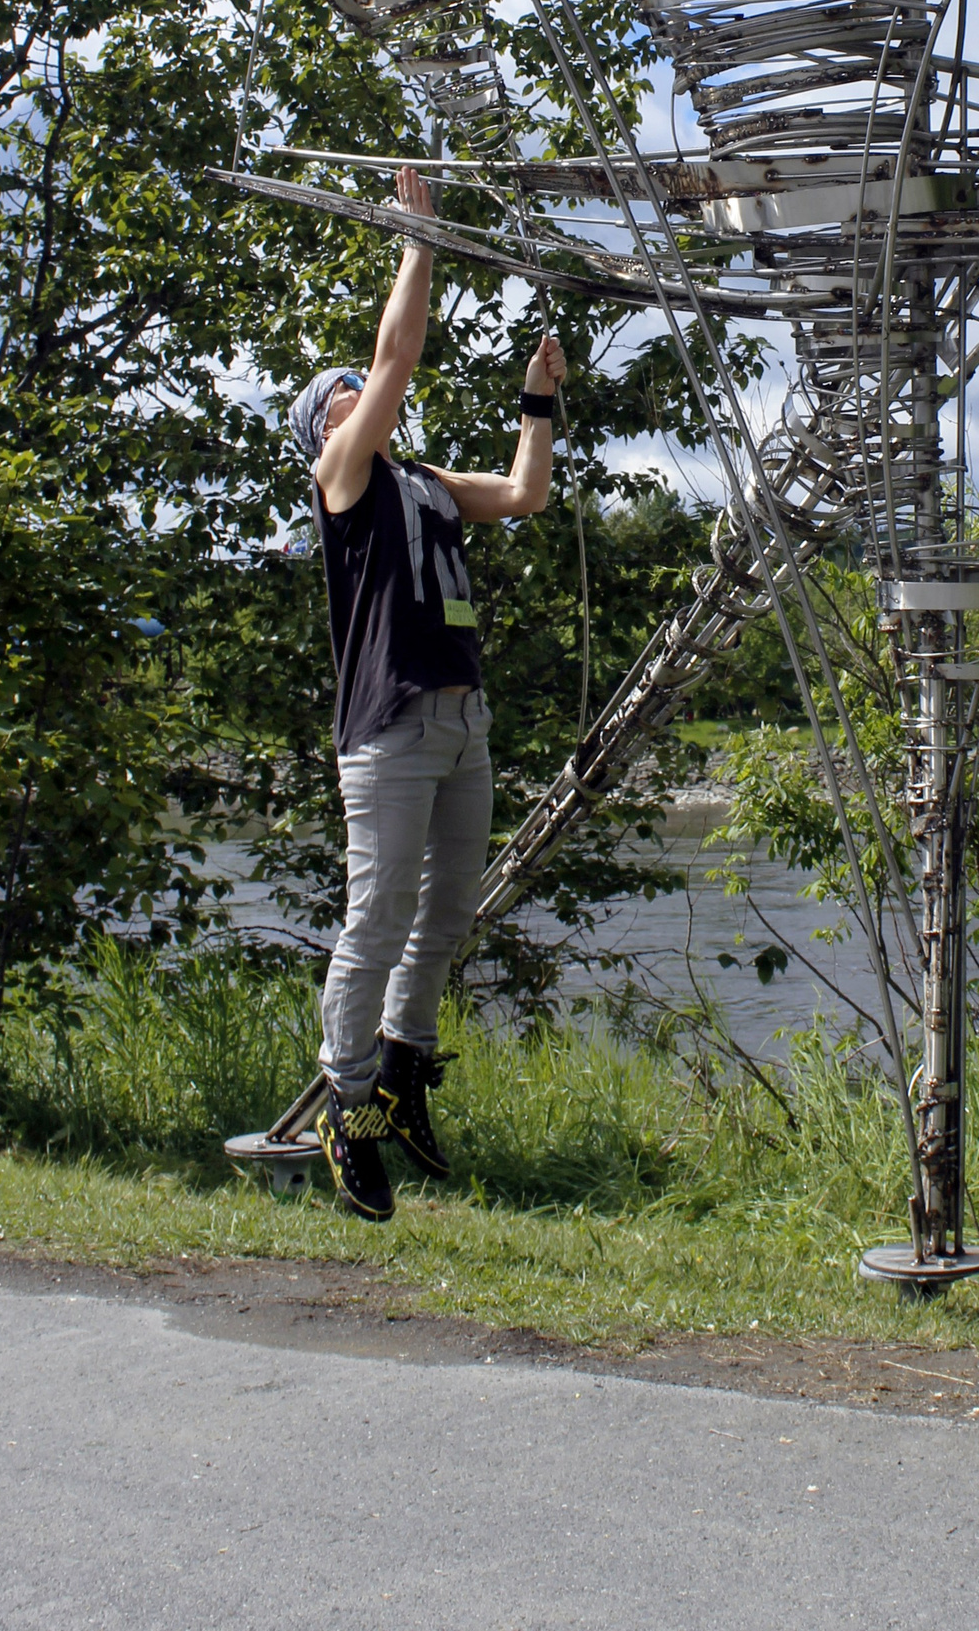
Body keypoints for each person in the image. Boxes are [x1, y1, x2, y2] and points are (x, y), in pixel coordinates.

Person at [285, 167, 566, 1221]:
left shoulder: (423, 483)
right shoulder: (344, 480)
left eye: (353, 390)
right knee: (378, 916)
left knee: (443, 912)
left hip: (460, 719)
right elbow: (395, 358)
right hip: (391, 726)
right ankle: (346, 1107)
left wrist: (537, 401)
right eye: (339, 396)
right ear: (325, 429)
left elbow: (526, 492)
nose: (359, 394)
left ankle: (403, 1071)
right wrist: (417, 237)